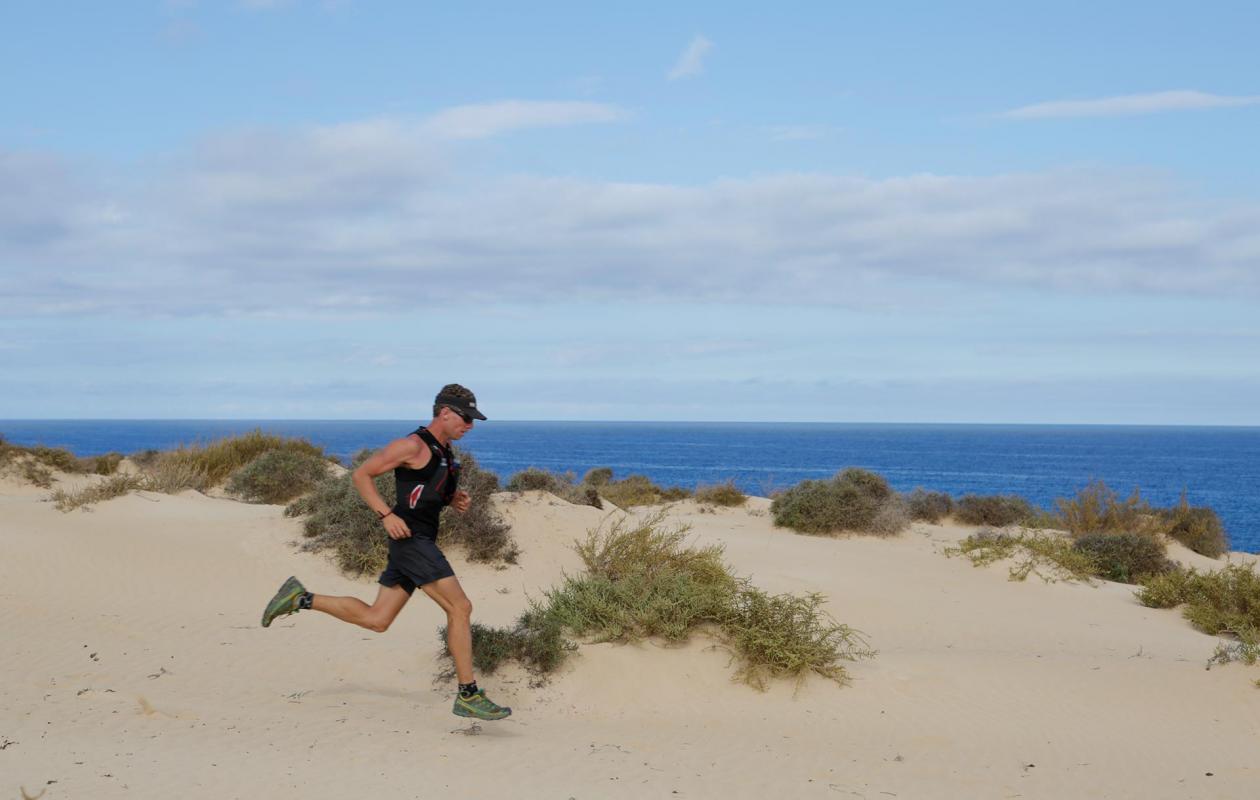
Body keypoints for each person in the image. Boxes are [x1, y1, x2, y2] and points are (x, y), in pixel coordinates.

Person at [260, 384, 510, 722]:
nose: (470, 425)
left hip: (415, 540)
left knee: (377, 619)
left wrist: (453, 498)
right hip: (411, 539)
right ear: (445, 412)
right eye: (466, 417)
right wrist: (386, 515)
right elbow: (363, 474)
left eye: (474, 420)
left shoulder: (444, 450)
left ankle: (300, 598)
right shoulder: (411, 445)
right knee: (460, 607)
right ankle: (468, 694)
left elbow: (424, 490)